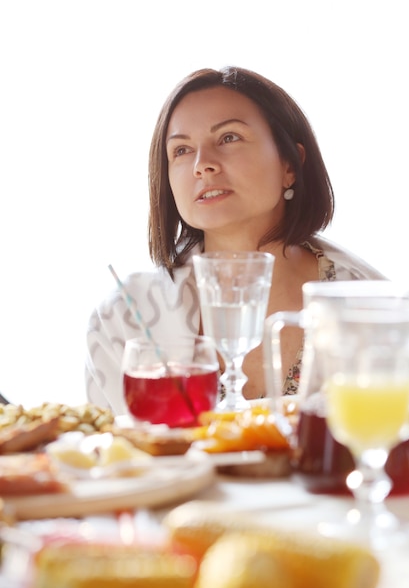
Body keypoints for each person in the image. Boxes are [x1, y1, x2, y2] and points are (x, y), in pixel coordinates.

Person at [85, 66, 386, 414]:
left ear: (290, 164)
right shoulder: (124, 317)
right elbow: (110, 461)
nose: (202, 165)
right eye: (181, 150)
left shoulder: (374, 310)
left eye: (228, 137)